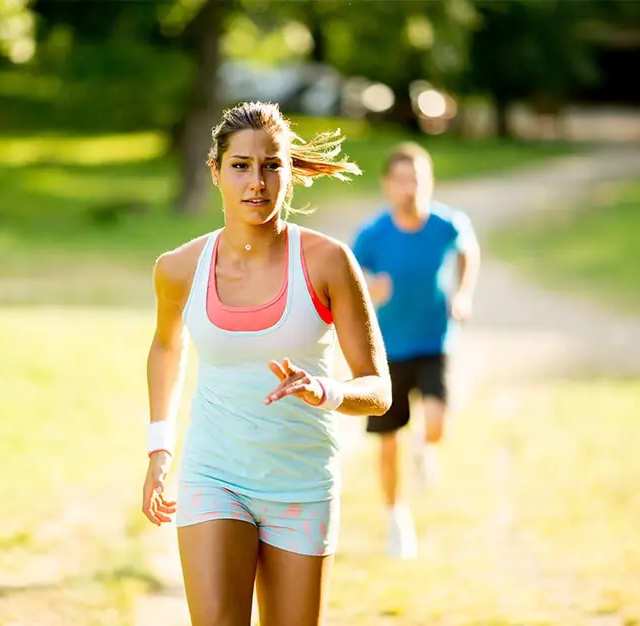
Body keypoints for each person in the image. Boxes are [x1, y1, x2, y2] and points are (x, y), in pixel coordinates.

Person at [140, 101, 392, 626]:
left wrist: (326, 390)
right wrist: (159, 450)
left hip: (301, 483)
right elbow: (166, 346)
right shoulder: (179, 269)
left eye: (272, 165)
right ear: (215, 171)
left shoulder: (327, 262)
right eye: (240, 165)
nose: (257, 182)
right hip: (216, 476)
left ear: (290, 172)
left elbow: (379, 388)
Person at [351, 141, 481, 560]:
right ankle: (397, 519)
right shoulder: (372, 234)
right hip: (386, 351)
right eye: (402, 180)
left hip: (433, 339)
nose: (410, 188)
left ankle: (427, 451)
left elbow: (469, 252)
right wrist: (370, 287)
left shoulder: (447, 224)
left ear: (429, 183)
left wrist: (463, 294)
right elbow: (350, 280)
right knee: (389, 441)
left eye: (418, 180)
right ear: (388, 185)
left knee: (437, 420)